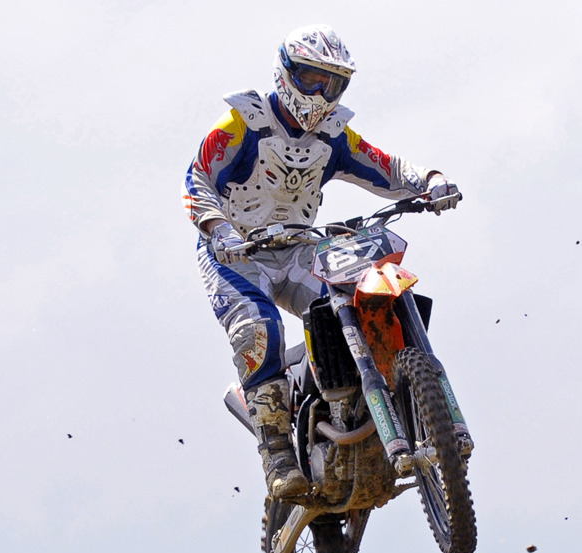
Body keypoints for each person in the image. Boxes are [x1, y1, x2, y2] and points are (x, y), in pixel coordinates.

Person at [182, 23, 460, 501]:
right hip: (235, 251)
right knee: (259, 329)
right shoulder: (243, 123)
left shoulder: (333, 136)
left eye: (332, 83)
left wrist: (430, 180)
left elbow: (385, 166)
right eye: (312, 78)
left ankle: (360, 405)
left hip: (297, 247)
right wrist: (217, 228)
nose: (320, 93)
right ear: (286, 72)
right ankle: (277, 453)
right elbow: (197, 179)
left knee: (359, 298)